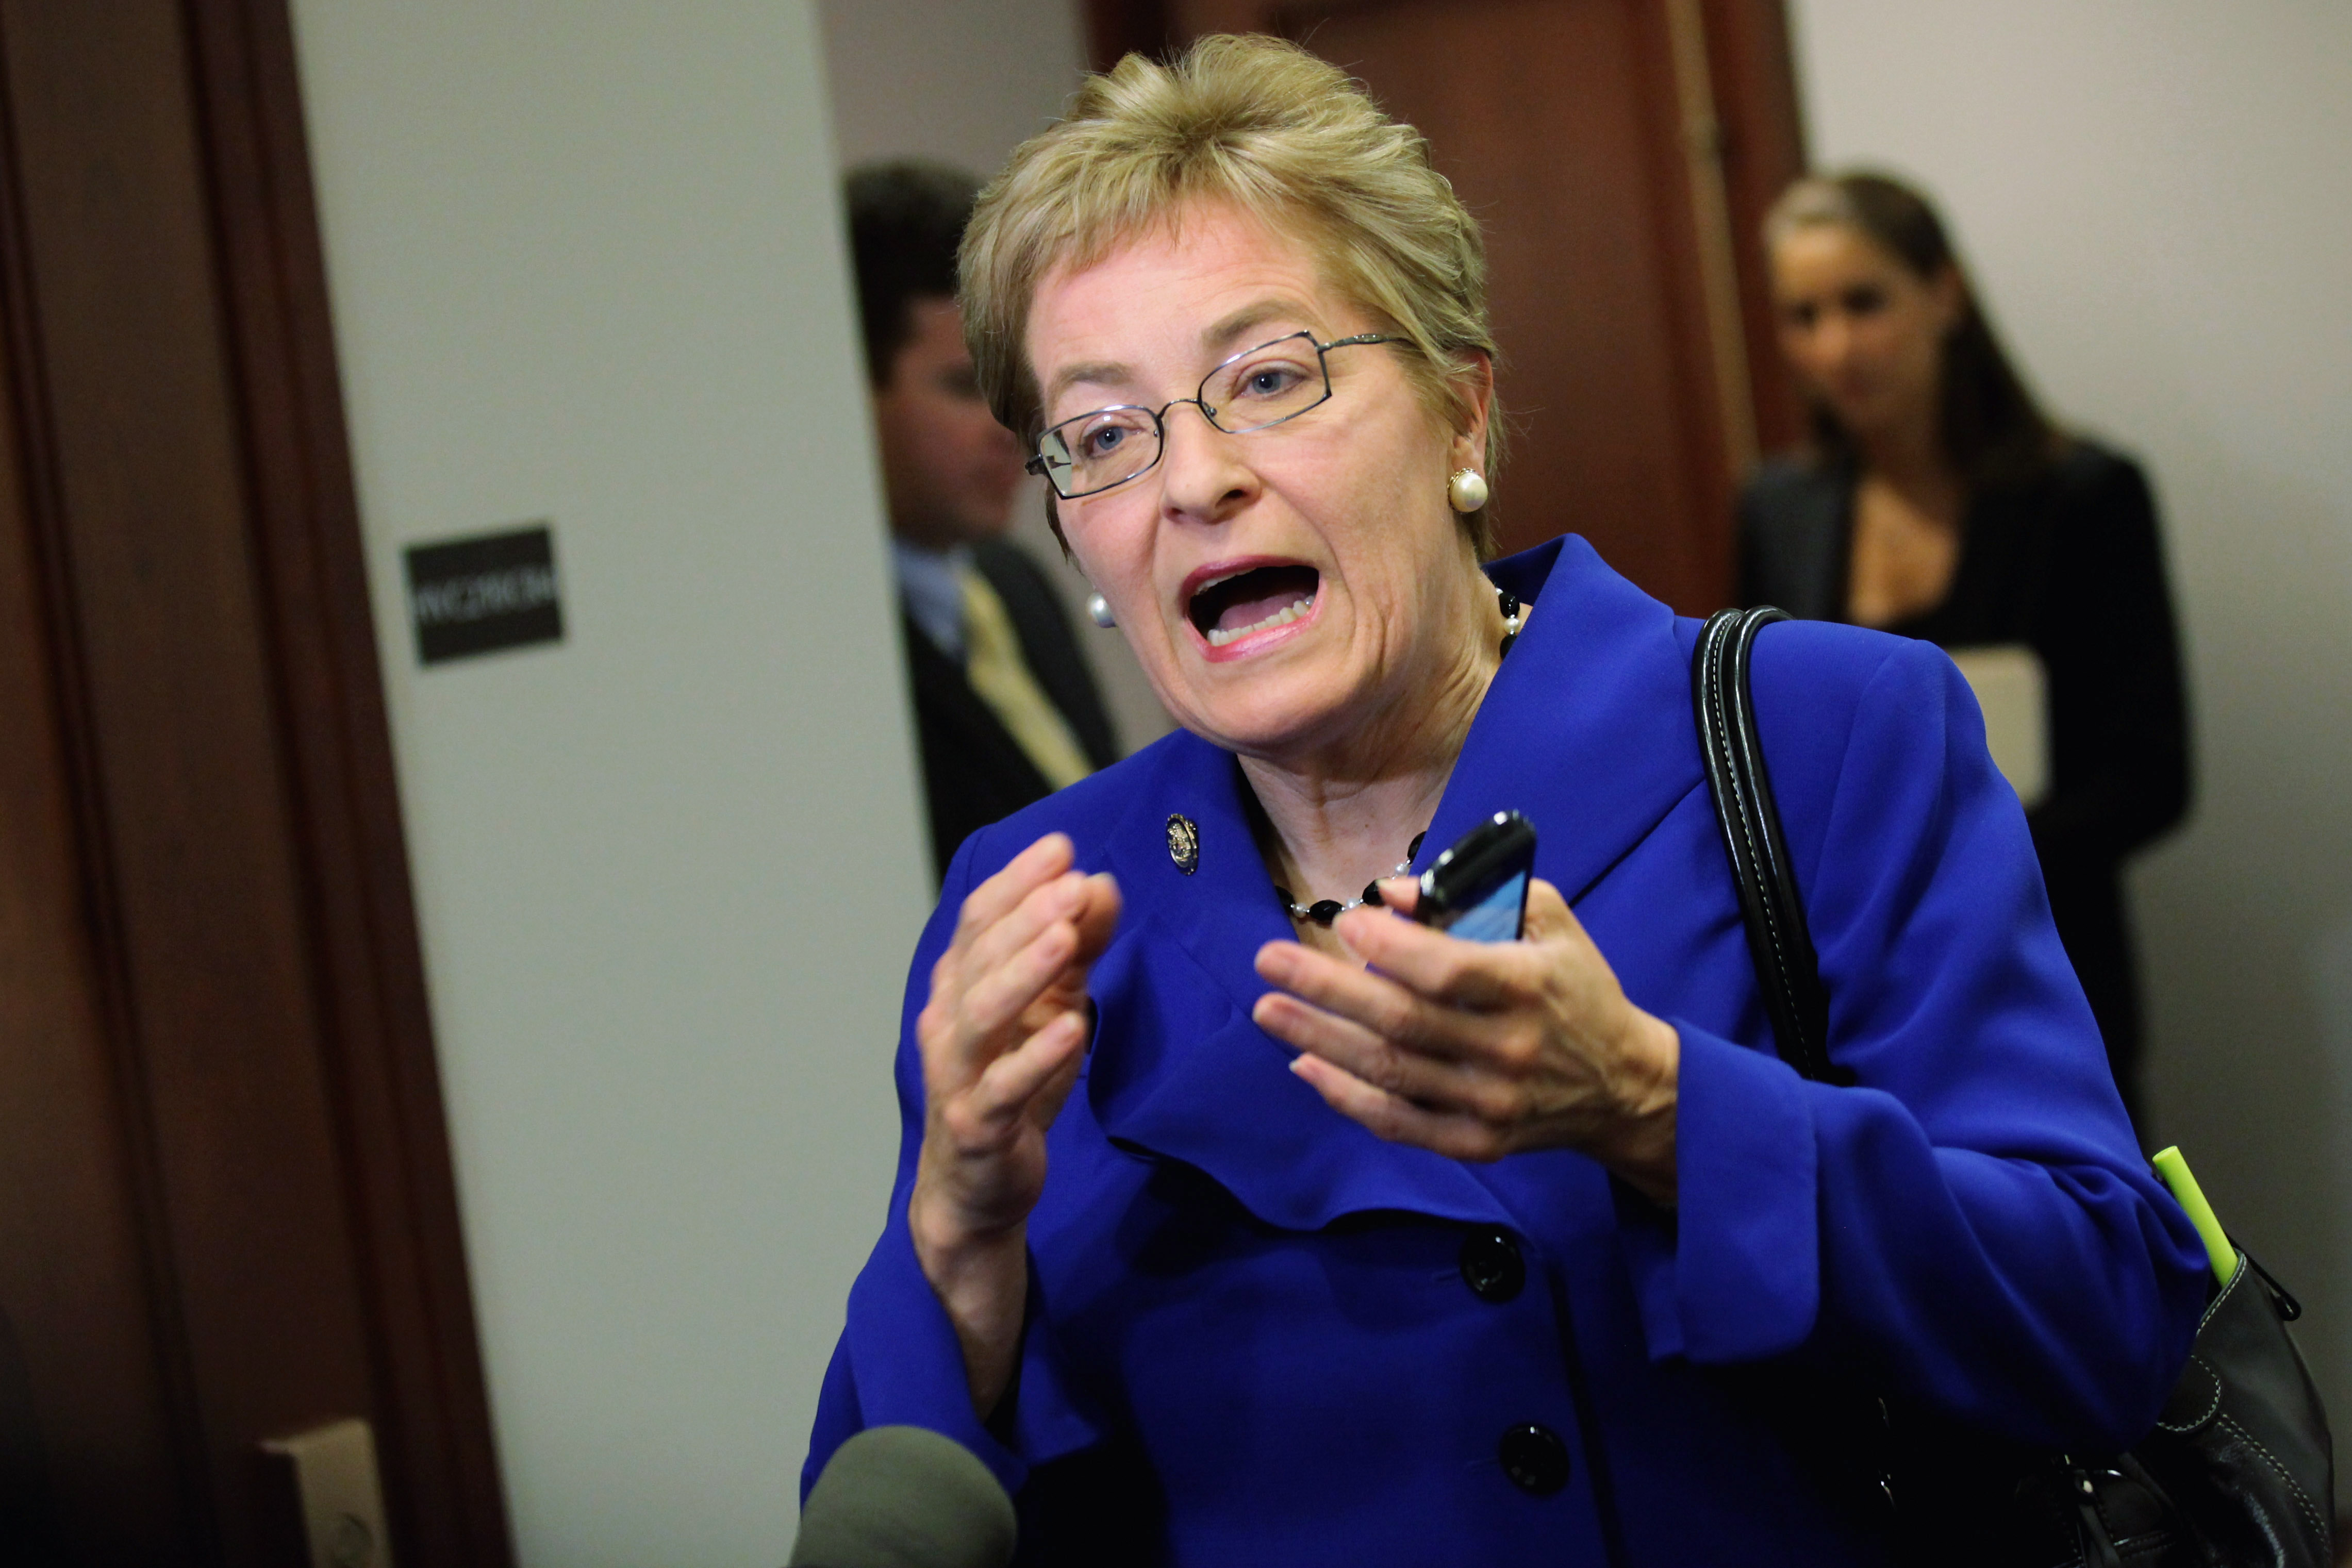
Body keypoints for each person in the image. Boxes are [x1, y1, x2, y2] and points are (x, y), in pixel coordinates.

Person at [806, 40, 2206, 1563]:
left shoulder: (1827, 735)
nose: (1189, 479)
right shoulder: (1038, 898)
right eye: (1102, 432)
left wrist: (1657, 1111)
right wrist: (952, 1233)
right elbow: (899, 1516)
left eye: (1267, 379)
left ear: (1462, 416)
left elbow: (2101, 1317)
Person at [1740, 172, 2191, 1129]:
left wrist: (1949, 858)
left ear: (1943, 295)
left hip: (2047, 977)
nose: (1835, 347)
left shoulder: (2083, 496)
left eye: (1863, 303)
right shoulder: (1779, 511)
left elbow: (2152, 775)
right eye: (1802, 316)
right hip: (1850, 1003)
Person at [847, 161, 1121, 880]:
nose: (1010, 428)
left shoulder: (1016, 582)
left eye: (1019, 388)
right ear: (855, 393)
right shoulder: (830, 655)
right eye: (966, 386)